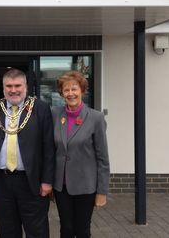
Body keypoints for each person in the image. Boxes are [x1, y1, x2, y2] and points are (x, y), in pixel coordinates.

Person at [0, 68, 55, 238]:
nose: (13, 90)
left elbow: (49, 147)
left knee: (36, 231)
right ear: (3, 88)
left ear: (25, 86)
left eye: (17, 85)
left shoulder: (40, 108)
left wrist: (47, 180)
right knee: (7, 231)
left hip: (32, 182)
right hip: (2, 182)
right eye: (9, 86)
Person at [51, 70, 110, 238]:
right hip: (61, 186)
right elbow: (51, 150)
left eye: (74, 89)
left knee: (82, 230)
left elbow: (103, 158)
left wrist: (102, 192)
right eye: (66, 90)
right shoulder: (55, 115)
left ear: (83, 90)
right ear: (61, 93)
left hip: (85, 186)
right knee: (66, 229)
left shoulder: (96, 118)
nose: (70, 94)